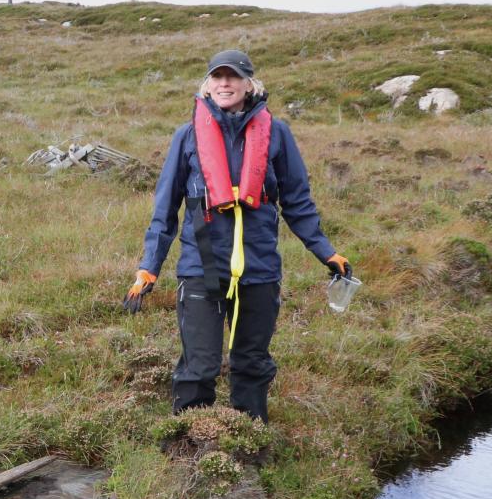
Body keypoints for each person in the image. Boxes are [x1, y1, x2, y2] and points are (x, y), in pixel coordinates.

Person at [123, 49, 351, 423]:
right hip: (202, 265)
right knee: (200, 364)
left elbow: (297, 202)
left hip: (259, 268)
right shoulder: (187, 136)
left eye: (233, 77)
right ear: (208, 85)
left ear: (249, 84)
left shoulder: (277, 134)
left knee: (252, 363)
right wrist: (148, 268)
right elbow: (164, 211)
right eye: (217, 77)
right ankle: (188, 446)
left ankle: (249, 443)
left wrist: (326, 252)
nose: (224, 83)